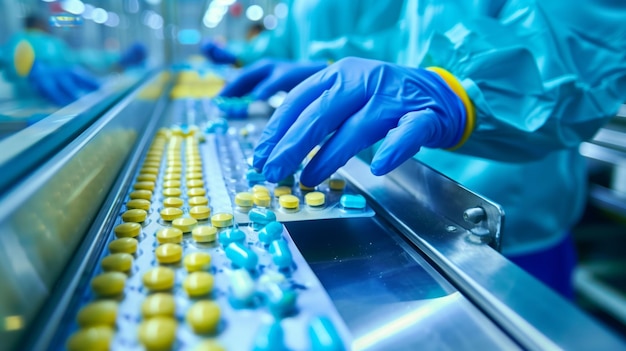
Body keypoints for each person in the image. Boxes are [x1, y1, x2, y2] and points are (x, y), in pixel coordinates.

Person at [245, 0, 626, 299]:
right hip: (413, 207)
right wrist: (334, 63)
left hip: (512, 231)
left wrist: (462, 95)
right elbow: (418, 37)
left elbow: (580, 37)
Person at [202, 0, 405, 100]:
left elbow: (392, 43)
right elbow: (283, 39)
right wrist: (240, 53)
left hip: (363, 108)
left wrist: (330, 65)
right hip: (306, 101)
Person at [1, 14, 147, 105]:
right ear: (40, 25)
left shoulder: (15, 41)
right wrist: (115, 59)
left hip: (23, 106)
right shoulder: (51, 42)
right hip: (51, 107)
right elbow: (80, 58)